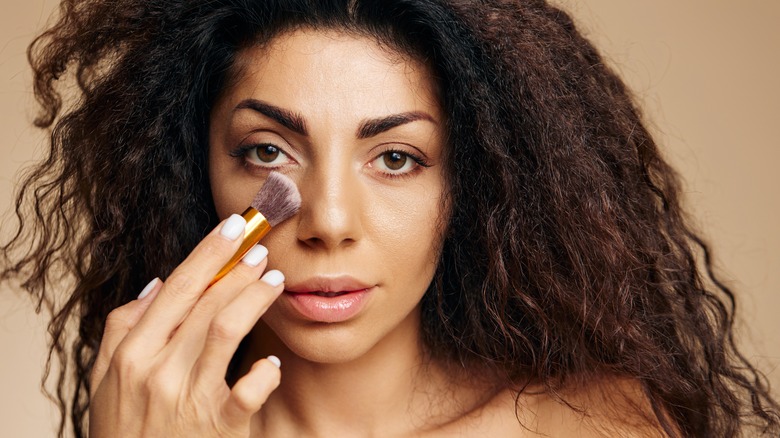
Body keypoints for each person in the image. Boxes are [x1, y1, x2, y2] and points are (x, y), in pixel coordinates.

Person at [2, 0, 778, 436]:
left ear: (472, 184)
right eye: (268, 152)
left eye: (397, 158)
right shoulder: (147, 423)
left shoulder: (585, 425)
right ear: (192, 167)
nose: (329, 220)